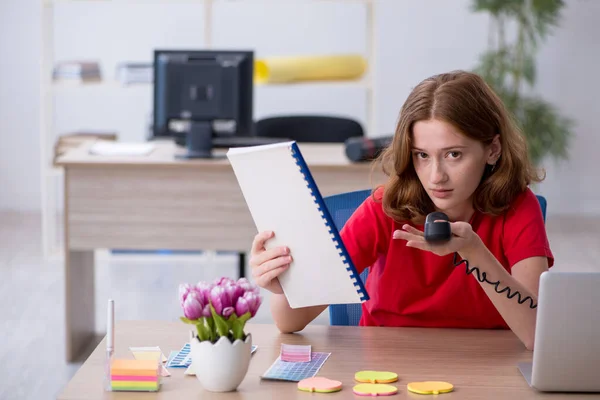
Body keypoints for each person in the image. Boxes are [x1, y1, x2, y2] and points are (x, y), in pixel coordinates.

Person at [249, 70, 554, 351]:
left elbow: (537, 334)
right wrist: (284, 286)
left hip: (485, 366)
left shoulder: (518, 207)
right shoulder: (386, 208)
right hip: (386, 369)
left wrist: (475, 252)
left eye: (454, 154)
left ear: (493, 150)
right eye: (422, 155)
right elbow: (289, 322)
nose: (436, 176)